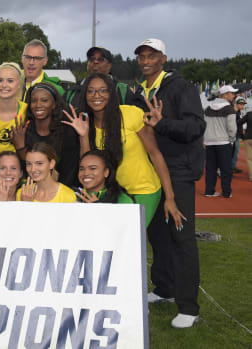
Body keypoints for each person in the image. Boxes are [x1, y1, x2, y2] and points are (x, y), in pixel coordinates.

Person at [133, 38, 206, 328]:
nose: (146, 60)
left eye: (152, 55)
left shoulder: (181, 87)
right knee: (158, 236)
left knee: (181, 237)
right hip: (150, 172)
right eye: (142, 56)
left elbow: (195, 127)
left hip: (179, 171)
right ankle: (165, 288)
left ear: (163, 58)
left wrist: (162, 123)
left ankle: (189, 307)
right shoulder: (139, 91)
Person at [64, 72, 183, 230]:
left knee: (129, 238)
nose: (96, 95)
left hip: (144, 190)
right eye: (91, 91)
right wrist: (84, 135)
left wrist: (170, 197)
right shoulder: (86, 123)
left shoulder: (131, 113)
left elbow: (155, 154)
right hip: (114, 193)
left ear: (111, 93)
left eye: (103, 90)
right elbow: (88, 163)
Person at [11, 82, 80, 187]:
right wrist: (20, 147)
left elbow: (70, 170)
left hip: (64, 191)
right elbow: (28, 169)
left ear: (54, 104)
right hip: (32, 190)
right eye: (34, 101)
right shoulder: (24, 131)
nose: (38, 105)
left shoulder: (67, 132)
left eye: (44, 100)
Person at [64, 46, 136, 109]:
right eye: (91, 59)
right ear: (87, 65)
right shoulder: (72, 92)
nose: (95, 62)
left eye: (101, 59)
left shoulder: (123, 91)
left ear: (109, 66)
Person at [203, 85, 238, 198]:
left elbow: (204, 125)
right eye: (232, 93)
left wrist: (205, 139)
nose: (234, 95)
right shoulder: (229, 109)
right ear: (225, 95)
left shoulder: (208, 108)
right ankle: (226, 192)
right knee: (225, 168)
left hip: (209, 142)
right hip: (223, 142)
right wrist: (231, 140)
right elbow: (232, 128)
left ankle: (209, 191)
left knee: (210, 168)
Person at [232, 96, 246, 173]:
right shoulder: (234, 112)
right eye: (241, 104)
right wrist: (243, 120)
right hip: (234, 135)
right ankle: (231, 167)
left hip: (237, 134)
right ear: (236, 104)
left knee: (235, 152)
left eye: (243, 104)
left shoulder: (238, 112)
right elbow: (236, 123)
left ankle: (232, 166)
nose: (242, 106)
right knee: (234, 152)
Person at [239, 104, 252, 181]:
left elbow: (239, 122)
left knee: (249, 159)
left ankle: (251, 177)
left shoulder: (248, 114)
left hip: (248, 137)